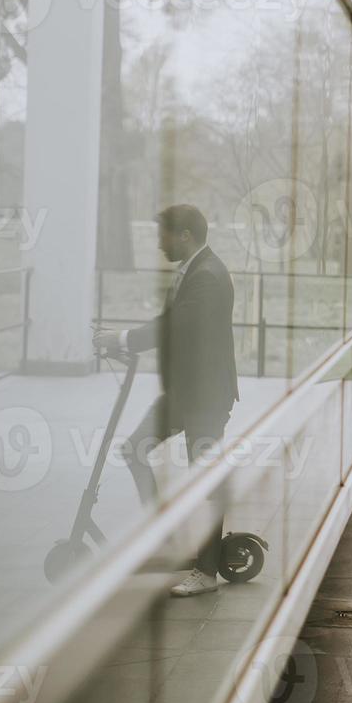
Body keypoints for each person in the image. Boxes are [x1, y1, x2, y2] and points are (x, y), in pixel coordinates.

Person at [94, 204, 239, 597]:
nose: (158, 243)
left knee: (203, 481)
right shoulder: (194, 270)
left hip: (205, 398)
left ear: (185, 236)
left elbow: (175, 326)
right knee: (134, 449)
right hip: (184, 394)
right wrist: (122, 338)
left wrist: (123, 340)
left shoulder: (206, 277)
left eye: (164, 235)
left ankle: (206, 573)